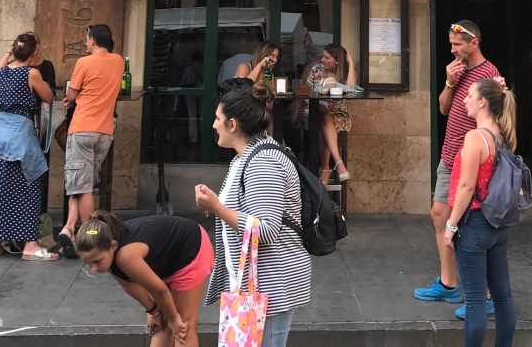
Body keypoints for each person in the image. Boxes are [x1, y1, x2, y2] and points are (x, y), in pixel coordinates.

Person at [194, 83, 311, 347]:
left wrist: (218, 208)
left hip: (269, 287)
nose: (213, 125)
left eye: (217, 118)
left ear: (232, 124)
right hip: (252, 285)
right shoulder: (245, 157)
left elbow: (266, 230)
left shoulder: (263, 161)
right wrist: (218, 204)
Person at [414, 20, 505, 317]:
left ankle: (485, 295)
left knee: (470, 225)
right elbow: (443, 108)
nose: (453, 50)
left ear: (474, 42)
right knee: (439, 215)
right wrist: (449, 82)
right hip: (449, 155)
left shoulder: (489, 74)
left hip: (471, 159)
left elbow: (498, 117)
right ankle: (448, 284)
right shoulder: (457, 70)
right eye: (451, 45)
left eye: (457, 45)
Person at [0, 33, 57, 260]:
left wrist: (9, 51)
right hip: (18, 135)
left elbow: (0, 66)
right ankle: (30, 246)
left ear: (13, 50)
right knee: (29, 188)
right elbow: (48, 97)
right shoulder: (32, 73)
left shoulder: (2, 72)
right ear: (34, 53)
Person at [444, 79, 518, 347]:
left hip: (473, 223)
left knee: (475, 300)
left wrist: (451, 225)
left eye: (469, 96)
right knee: (503, 296)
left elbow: (466, 186)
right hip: (497, 224)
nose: (464, 100)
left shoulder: (475, 137)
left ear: (482, 102)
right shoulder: (502, 135)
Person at [75, 210, 213, 347]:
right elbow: (129, 284)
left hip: (189, 246)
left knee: (183, 326)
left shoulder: (126, 256)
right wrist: (153, 311)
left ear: (113, 246)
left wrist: (173, 318)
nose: (93, 268)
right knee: (162, 323)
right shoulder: (107, 254)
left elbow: (160, 291)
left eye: (97, 261)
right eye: (87, 263)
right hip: (166, 256)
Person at [58, 23, 123, 253]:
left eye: (87, 38)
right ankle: (69, 228)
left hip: (82, 128)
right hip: (104, 132)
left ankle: (89, 238)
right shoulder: (118, 61)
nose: (86, 42)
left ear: (93, 40)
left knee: (82, 187)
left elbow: (72, 93)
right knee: (81, 183)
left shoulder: (84, 63)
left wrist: (70, 99)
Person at [304, 43, 357, 184]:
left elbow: (351, 90)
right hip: (314, 110)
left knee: (324, 119)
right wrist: (314, 104)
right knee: (321, 113)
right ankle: (339, 164)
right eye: (323, 56)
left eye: (327, 58)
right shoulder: (316, 70)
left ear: (337, 60)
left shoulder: (345, 72)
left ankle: (325, 168)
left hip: (338, 114)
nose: (322, 60)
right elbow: (305, 94)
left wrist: (351, 63)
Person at [181, 50, 205, 144]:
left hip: (190, 91)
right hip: (203, 90)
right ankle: (204, 135)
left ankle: (193, 137)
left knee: (192, 115)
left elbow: (183, 82)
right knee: (203, 115)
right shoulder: (205, 67)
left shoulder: (188, 69)